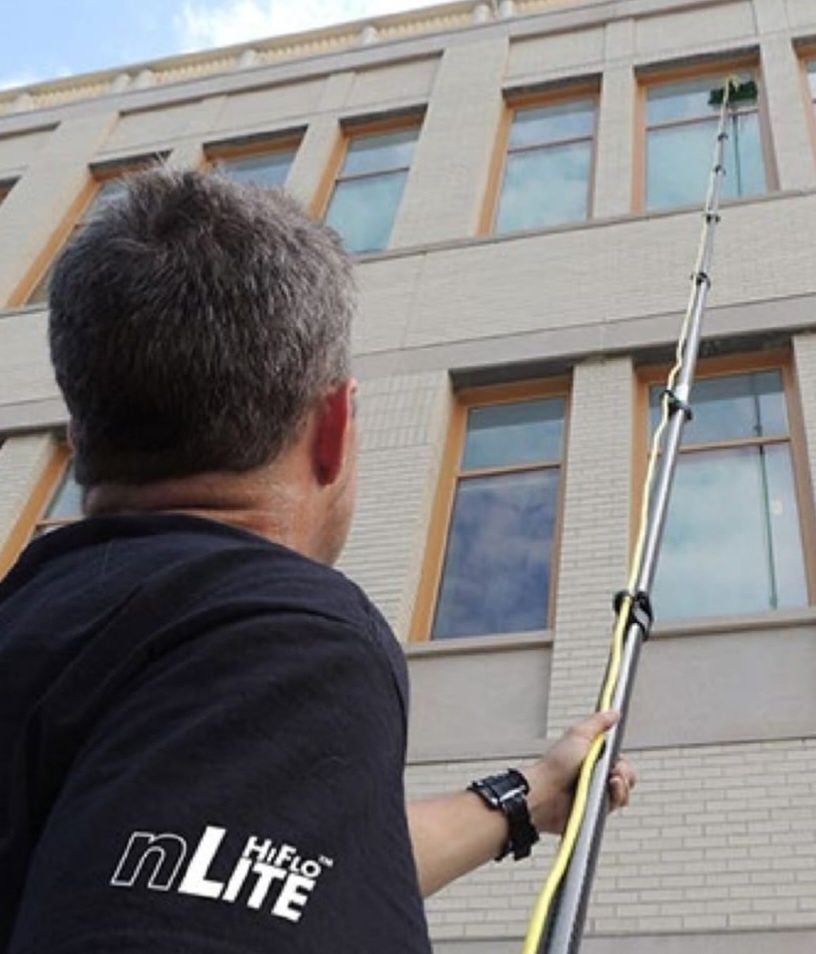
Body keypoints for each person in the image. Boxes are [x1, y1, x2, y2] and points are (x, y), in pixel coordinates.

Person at [0, 169, 635, 953]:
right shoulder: (278, 633)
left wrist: (524, 798)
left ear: (83, 435)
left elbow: (272, 858)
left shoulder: (38, 633)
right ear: (334, 424)